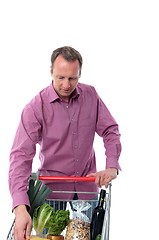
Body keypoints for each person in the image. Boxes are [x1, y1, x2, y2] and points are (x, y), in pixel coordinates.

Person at [8, 46, 122, 240]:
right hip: (51, 192)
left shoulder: (91, 96)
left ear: (79, 75)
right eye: (60, 77)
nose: (66, 85)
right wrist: (20, 207)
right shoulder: (36, 107)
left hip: (87, 187)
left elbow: (110, 131)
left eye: (72, 78)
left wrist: (111, 166)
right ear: (51, 72)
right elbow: (20, 156)